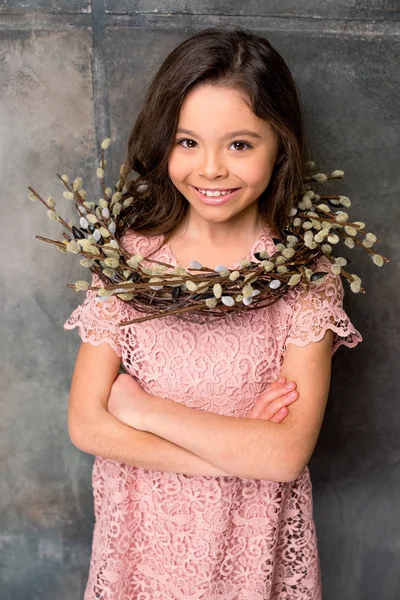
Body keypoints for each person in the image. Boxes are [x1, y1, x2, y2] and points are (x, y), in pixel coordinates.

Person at [64, 27, 362, 600]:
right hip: (141, 544)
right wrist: (235, 448)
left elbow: (282, 457)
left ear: (280, 145)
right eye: (188, 142)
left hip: (250, 545)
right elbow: (86, 424)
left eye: (240, 145)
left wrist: (140, 408)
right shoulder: (129, 261)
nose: (211, 170)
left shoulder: (303, 277)